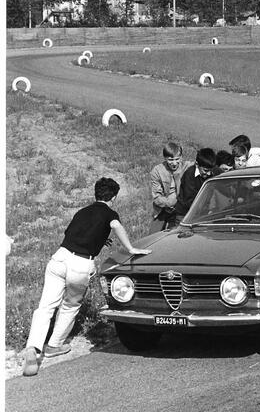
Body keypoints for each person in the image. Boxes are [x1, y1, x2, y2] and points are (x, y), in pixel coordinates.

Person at [22, 178, 151, 377]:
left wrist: (100, 237)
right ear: (114, 197)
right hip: (80, 265)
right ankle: (54, 345)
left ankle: (33, 347)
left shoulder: (82, 211)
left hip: (59, 258)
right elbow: (116, 226)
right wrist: (131, 248)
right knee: (71, 304)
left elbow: (75, 232)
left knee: (46, 306)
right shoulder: (110, 213)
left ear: (96, 194)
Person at [149, 142, 191, 234]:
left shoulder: (187, 166)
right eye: (171, 160)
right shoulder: (157, 171)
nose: (174, 163)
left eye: (177, 159)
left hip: (180, 209)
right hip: (162, 209)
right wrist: (170, 202)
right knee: (153, 236)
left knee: (175, 236)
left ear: (181, 157)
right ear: (165, 158)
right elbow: (156, 197)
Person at [174, 148, 218, 222]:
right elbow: (190, 200)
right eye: (206, 170)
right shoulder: (189, 175)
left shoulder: (213, 171)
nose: (209, 174)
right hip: (185, 215)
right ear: (197, 164)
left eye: (211, 171)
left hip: (203, 214)